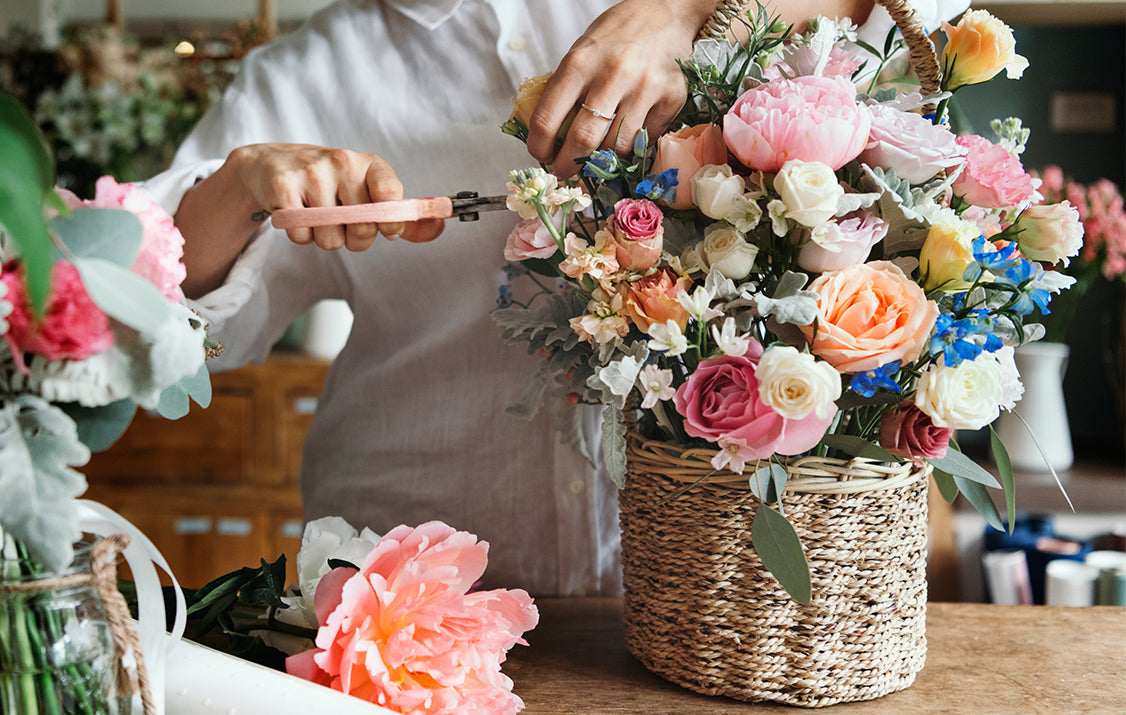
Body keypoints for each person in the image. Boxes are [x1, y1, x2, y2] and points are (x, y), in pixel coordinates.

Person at [145, 0, 968, 596]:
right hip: (404, 596)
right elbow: (152, 336)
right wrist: (236, 187)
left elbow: (920, 19)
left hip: (711, 608)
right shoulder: (314, 70)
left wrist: (692, 11)